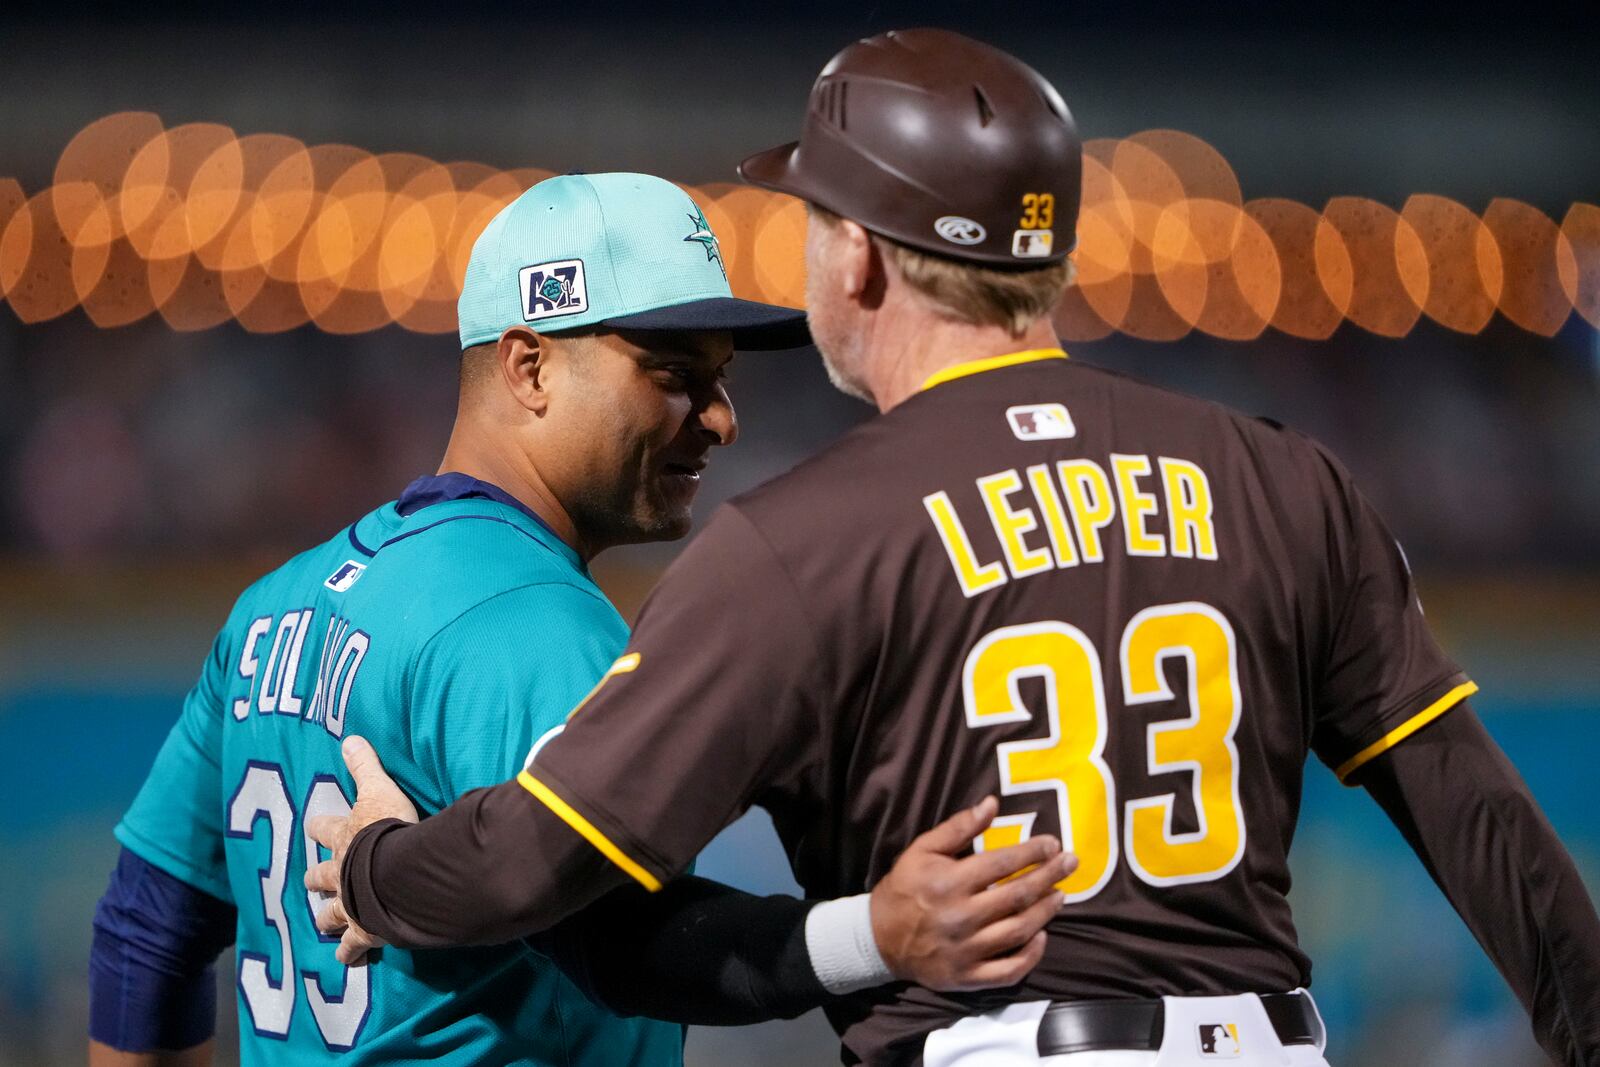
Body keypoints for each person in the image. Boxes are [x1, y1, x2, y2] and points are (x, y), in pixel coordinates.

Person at [309, 30, 1600, 1067]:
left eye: (813, 222)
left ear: (860, 256)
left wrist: (374, 864)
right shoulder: (1281, 476)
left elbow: (538, 863)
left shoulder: (800, 540)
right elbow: (1478, 815)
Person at [87, 171, 1074, 1067]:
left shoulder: (275, 604)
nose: (722, 417)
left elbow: (146, 928)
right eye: (673, 373)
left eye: (720, 376)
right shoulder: (533, 622)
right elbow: (632, 947)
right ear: (527, 367)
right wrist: (873, 934)